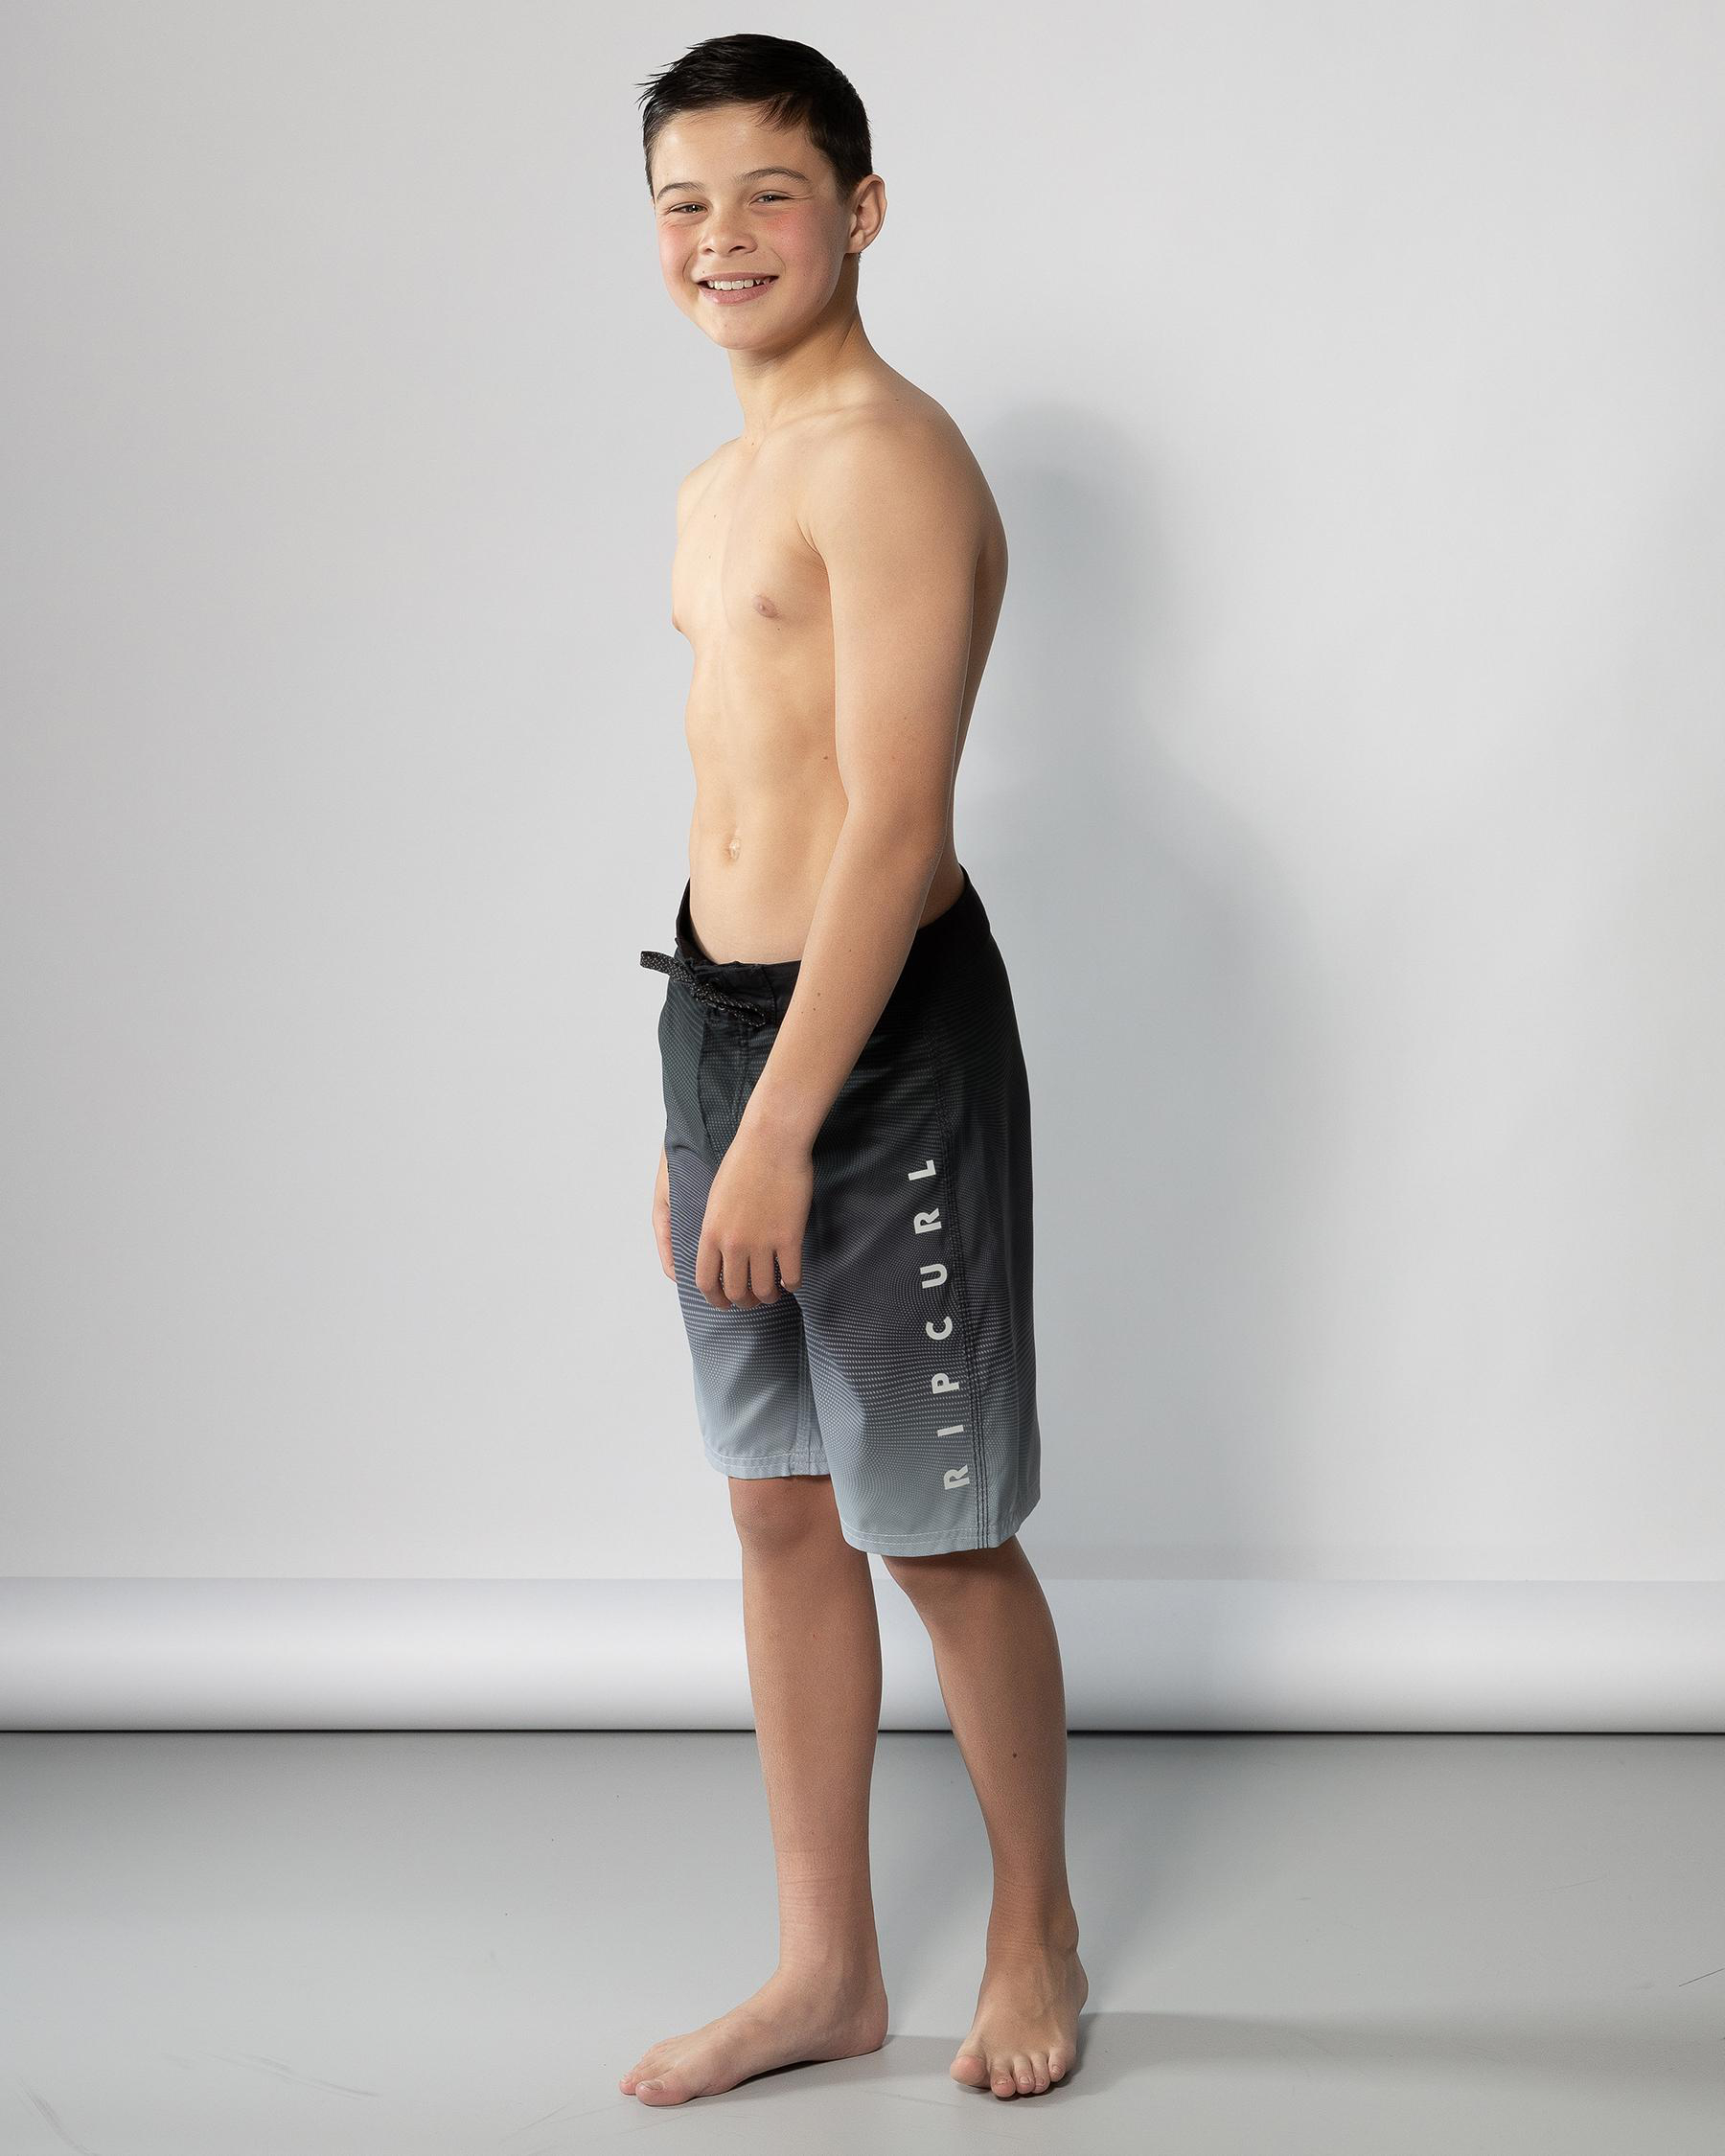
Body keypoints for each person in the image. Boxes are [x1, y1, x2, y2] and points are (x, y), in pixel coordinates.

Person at [621, 32, 1086, 2108]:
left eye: (769, 195)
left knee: (938, 1531)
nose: (722, 237)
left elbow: (891, 829)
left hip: (877, 1045)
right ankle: (824, 1967)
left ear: (862, 211)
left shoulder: (889, 457)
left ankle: (1034, 1927)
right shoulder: (715, 485)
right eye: (684, 203)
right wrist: (700, 1116)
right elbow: (740, 798)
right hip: (723, 1022)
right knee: (779, 1512)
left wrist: (788, 1124)